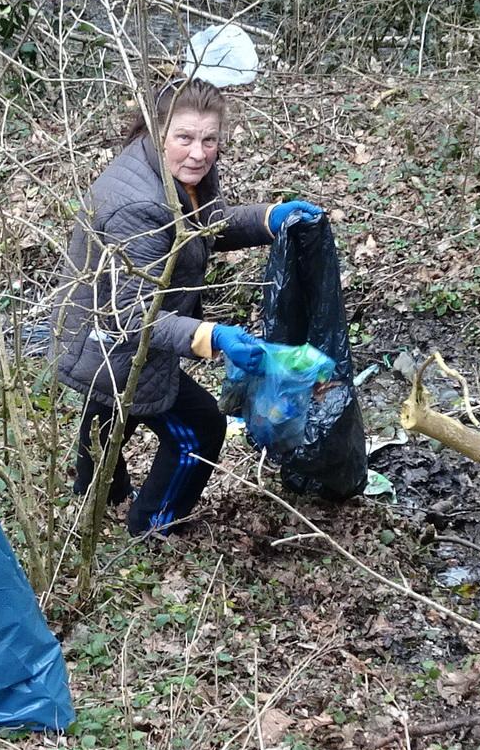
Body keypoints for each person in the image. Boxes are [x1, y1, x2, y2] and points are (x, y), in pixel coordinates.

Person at [52, 78, 325, 536]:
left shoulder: (177, 173)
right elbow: (131, 314)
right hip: (111, 340)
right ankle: (153, 526)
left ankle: (95, 496)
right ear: (157, 132)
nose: (199, 152)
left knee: (112, 410)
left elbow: (204, 226)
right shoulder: (137, 205)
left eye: (209, 139)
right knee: (199, 427)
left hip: (99, 340)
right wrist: (210, 337)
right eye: (185, 138)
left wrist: (267, 218)